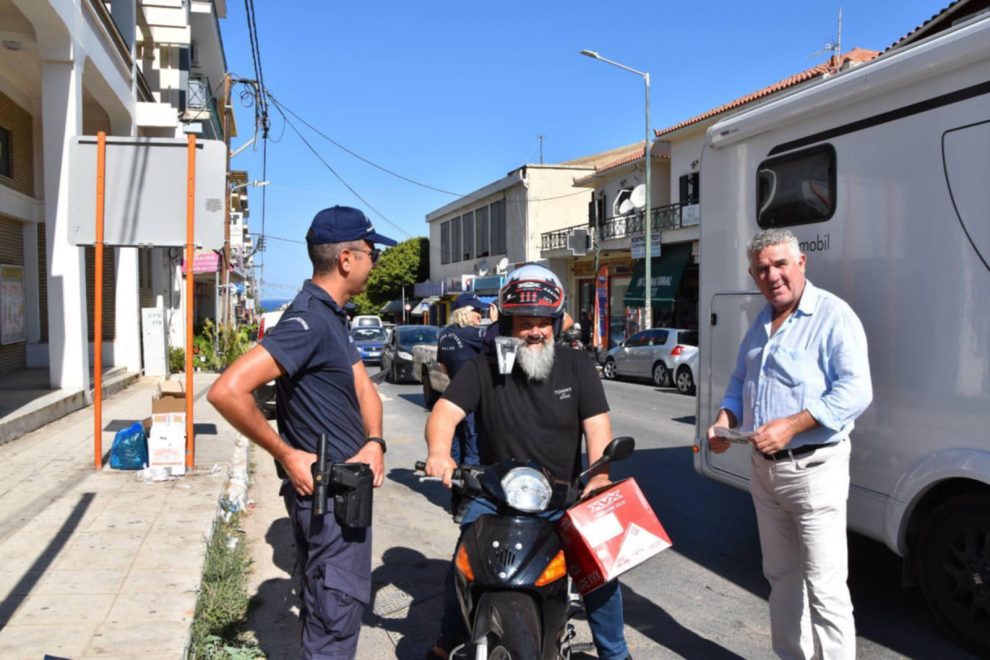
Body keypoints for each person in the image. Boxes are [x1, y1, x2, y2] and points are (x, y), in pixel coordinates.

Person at [208, 205, 396, 659]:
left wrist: (374, 442)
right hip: (328, 501)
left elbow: (364, 388)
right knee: (333, 622)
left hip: (346, 495)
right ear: (347, 258)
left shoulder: (332, 317)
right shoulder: (307, 320)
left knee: (332, 612)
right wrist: (288, 453)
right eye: (372, 253)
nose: (375, 263)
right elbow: (227, 391)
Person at [424, 264, 630, 660]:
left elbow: (598, 426)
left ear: (555, 322)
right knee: (463, 563)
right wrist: (439, 453)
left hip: (562, 494)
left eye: (542, 322)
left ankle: (614, 653)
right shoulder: (482, 368)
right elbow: (445, 412)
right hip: (495, 493)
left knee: (599, 570)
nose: (534, 331)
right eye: (524, 323)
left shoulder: (577, 365)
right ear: (508, 325)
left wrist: (599, 476)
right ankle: (449, 640)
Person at [706, 228, 872, 660]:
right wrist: (726, 419)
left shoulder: (834, 316)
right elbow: (741, 379)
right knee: (781, 578)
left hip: (815, 472)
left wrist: (793, 425)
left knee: (825, 587)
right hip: (765, 471)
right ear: (752, 274)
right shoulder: (760, 321)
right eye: (762, 269)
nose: (772, 275)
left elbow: (856, 390)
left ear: (802, 264)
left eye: (781, 264)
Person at [436, 293, 488, 515]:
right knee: (473, 450)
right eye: (477, 312)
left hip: (451, 397)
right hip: (471, 401)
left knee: (455, 450)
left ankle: (456, 501)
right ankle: (468, 504)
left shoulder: (444, 334)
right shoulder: (473, 334)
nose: (480, 316)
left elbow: (443, 367)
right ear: (466, 312)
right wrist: (495, 320)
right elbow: (499, 337)